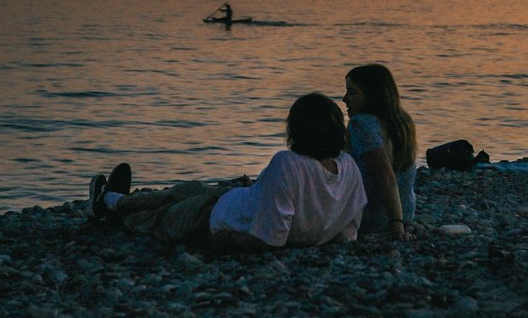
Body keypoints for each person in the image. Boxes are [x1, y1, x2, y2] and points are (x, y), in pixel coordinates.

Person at [87, 92, 366, 251]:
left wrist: (218, 241)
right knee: (188, 189)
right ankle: (114, 200)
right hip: (239, 200)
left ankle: (111, 210)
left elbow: (269, 239)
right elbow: (349, 228)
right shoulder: (348, 166)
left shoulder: (288, 164)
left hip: (215, 218)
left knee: (159, 217)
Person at [343, 63, 417, 240]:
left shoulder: (361, 124)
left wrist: (396, 224)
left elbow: (386, 174)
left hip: (373, 218)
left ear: (372, 96)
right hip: (407, 211)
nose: (344, 99)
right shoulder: (402, 121)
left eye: (352, 93)